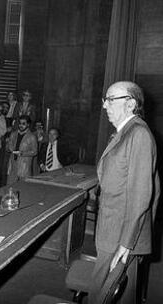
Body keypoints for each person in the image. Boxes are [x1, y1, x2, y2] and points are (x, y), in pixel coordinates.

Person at [89, 81, 160, 303]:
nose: (104, 105)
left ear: (130, 104)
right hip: (114, 230)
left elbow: (142, 196)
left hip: (120, 236)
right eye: (105, 100)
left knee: (106, 295)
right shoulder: (125, 132)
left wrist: (126, 243)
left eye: (110, 99)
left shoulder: (138, 134)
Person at [7, 115, 38, 185]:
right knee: (10, 186)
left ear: (28, 124)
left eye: (23, 124)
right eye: (20, 123)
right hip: (13, 163)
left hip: (24, 165)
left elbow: (35, 152)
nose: (21, 125)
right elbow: (8, 146)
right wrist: (9, 148)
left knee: (24, 187)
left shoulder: (32, 136)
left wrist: (22, 153)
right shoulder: (13, 134)